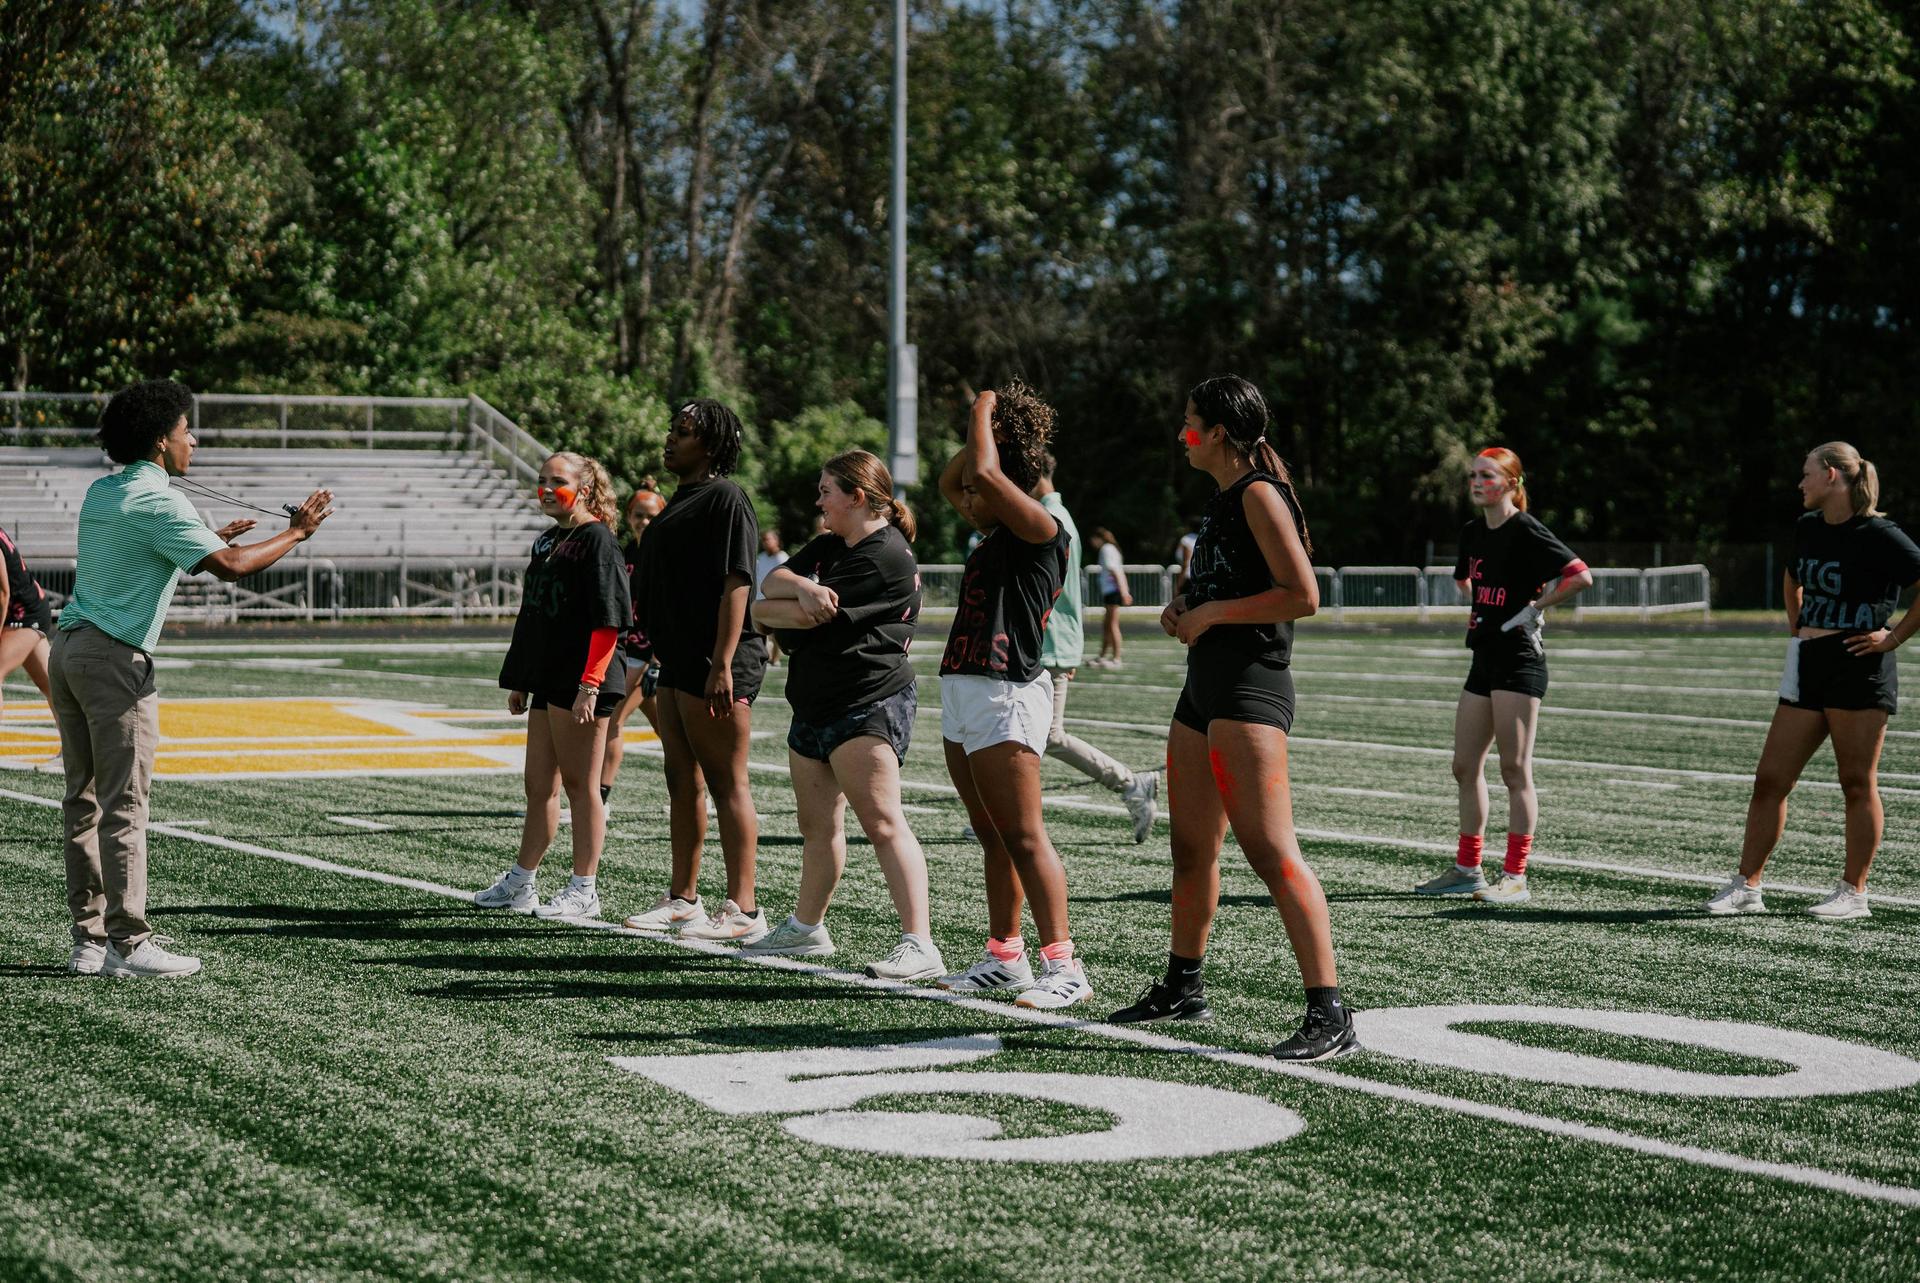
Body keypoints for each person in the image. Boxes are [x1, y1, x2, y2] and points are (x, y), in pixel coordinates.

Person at [50, 379, 331, 978]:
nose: (193, 440)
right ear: (161, 442)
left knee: (83, 801)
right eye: (184, 431)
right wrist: (298, 533)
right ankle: (130, 943)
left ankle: (89, 940)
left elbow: (154, 553)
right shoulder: (162, 502)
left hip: (69, 649)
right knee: (124, 806)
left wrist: (209, 537)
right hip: (113, 659)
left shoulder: (102, 491)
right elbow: (231, 570)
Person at [1108, 374, 1352, 1062]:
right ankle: (1183, 984)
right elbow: (1223, 585)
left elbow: (1301, 594)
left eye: (1189, 422)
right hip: (1202, 693)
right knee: (1191, 850)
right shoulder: (1221, 501)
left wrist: (1211, 612)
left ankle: (1330, 1010)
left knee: (1273, 854)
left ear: (1218, 431)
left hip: (1250, 690)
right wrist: (1183, 607)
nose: (1181, 434)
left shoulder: (1260, 495)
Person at [745, 450, 944, 980]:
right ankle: (806, 927)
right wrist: (805, 589)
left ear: (857, 496)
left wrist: (780, 611)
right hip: (813, 700)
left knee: (881, 822)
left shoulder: (886, 554)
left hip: (867, 701)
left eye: (826, 491)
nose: (819, 501)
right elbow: (768, 594)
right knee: (817, 827)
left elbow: (788, 623)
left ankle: (919, 941)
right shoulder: (831, 544)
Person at [1707, 443, 1920, 921]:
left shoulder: (1880, 533)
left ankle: (1854, 893)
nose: (1800, 484)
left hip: (1858, 663)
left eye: (1806, 474)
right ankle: (1747, 886)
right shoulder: (1807, 527)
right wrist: (1797, 623)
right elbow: (1791, 577)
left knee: (1855, 782)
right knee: (1770, 779)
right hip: (1808, 662)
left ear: (1831, 476)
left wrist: (1894, 638)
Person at [934, 382, 1091, 1009]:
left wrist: (983, 411)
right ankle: (1006, 958)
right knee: (989, 834)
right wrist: (986, 435)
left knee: (1025, 836)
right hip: (966, 689)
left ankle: (1065, 965)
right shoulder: (995, 531)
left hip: (1006, 692)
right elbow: (955, 481)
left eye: (983, 487)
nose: (967, 499)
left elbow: (981, 476)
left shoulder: (1043, 527)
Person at [1414, 447, 1593, 907]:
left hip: (1519, 659)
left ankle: (1515, 876)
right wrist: (1483, 608)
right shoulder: (1474, 531)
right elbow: (1463, 581)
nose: (1476, 482)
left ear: (1512, 483)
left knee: (1514, 770)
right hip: (1484, 657)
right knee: (1464, 766)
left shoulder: (1527, 529)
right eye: (1473, 475)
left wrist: (1534, 608)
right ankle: (1467, 869)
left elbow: (1579, 576)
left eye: (1486, 475)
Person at [622, 399, 769, 942]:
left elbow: (737, 582)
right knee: (681, 781)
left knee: (728, 783)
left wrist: (723, 662)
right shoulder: (678, 502)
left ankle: (745, 910)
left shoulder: (726, 498)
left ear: (709, 445)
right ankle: (684, 899)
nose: (670, 439)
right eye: (672, 429)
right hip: (680, 662)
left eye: (682, 433)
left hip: (717, 662)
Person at [474, 452, 631, 920]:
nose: (545, 488)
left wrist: (590, 684)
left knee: (582, 787)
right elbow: (533, 616)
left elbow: (609, 621)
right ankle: (522, 882)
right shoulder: (546, 542)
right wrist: (521, 679)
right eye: (541, 480)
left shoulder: (598, 538)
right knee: (538, 785)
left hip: (585, 678)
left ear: (584, 489)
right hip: (550, 676)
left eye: (556, 481)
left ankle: (585, 888)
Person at [1032, 454, 1158, 843]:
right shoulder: (1058, 515)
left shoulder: (1048, 519)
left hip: (1048, 641)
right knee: (1021, 736)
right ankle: (997, 814)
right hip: (1053, 640)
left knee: (1045, 736)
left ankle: (1130, 783)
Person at [600, 484, 668, 807]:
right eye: (638, 515)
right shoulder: (625, 552)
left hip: (648, 654)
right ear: (628, 517)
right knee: (669, 731)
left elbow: (670, 612)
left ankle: (601, 797)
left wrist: (657, 661)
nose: (644, 521)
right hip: (627, 650)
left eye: (651, 516)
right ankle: (699, 786)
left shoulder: (665, 554)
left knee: (612, 719)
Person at [0, 522, 54, 721]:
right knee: (54, 687)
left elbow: (3, 593)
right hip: (28, 609)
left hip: (25, 614)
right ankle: (74, 749)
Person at [1089, 527, 1132, 667]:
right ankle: (1102, 655)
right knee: (1107, 624)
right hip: (1112, 591)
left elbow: (1115, 571)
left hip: (1113, 591)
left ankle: (1117, 658)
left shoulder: (1106, 549)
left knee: (1112, 625)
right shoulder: (1111, 548)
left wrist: (1124, 592)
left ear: (1098, 538)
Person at [755, 529, 790, 665]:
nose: (766, 542)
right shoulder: (761, 557)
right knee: (762, 631)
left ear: (776, 540)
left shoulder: (782, 558)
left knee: (775, 632)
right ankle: (765, 658)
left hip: (775, 599)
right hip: (760, 598)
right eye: (764, 540)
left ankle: (775, 659)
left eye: (769, 539)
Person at [1174, 520, 1200, 593]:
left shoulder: (1186, 540)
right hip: (1199, 576)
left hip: (1188, 578)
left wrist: (1179, 583)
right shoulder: (1201, 539)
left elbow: (1186, 563)